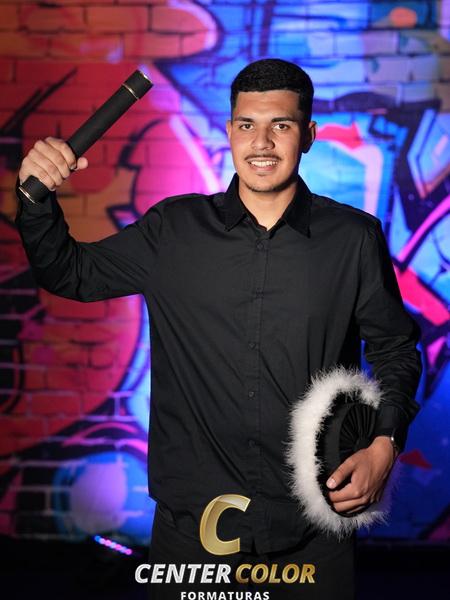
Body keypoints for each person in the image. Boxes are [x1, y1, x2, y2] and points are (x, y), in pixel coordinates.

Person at [16, 58, 422, 599]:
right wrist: (35, 198)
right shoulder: (173, 230)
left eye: (281, 125)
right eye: (247, 124)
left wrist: (385, 443)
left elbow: (396, 349)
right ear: (229, 131)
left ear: (308, 136)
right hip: (193, 536)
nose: (262, 142)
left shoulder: (352, 238)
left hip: (315, 532)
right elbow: (69, 273)